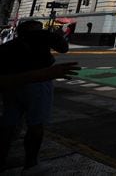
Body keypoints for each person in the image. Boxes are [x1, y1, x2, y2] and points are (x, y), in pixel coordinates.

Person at [0, 19, 70, 170]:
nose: (42, 30)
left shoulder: (10, 45)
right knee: (36, 125)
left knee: (9, 124)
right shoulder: (42, 39)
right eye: (39, 28)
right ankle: (31, 165)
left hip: (12, 85)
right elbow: (64, 47)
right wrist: (50, 35)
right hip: (38, 83)